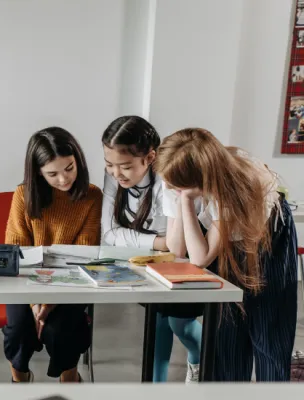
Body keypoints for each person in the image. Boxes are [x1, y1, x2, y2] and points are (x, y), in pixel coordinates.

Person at [155, 128, 297, 381]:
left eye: (176, 186)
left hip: (268, 237)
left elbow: (201, 258)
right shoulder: (175, 176)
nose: (168, 187)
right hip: (223, 237)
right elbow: (177, 249)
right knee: (226, 333)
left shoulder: (234, 187)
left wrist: (186, 201)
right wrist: (182, 198)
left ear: (200, 181)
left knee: (268, 332)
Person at [101, 116, 202, 383]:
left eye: (124, 166)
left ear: (150, 157)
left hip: (188, 256)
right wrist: (159, 242)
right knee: (158, 325)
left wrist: (160, 242)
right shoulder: (114, 176)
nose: (115, 173)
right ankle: (155, 390)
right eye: (109, 164)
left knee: (179, 324)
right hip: (150, 260)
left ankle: (200, 359)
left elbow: (178, 246)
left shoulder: (168, 179)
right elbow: (110, 234)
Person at [4, 127, 102, 383]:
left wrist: (49, 304)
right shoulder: (23, 196)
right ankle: (19, 379)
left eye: (69, 168)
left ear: (77, 160)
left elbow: (82, 255)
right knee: (19, 331)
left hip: (71, 283)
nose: (63, 179)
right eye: (52, 173)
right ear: (37, 172)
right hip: (24, 284)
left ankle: (70, 379)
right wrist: (36, 303)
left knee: (61, 331)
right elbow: (17, 255)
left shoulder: (92, 196)